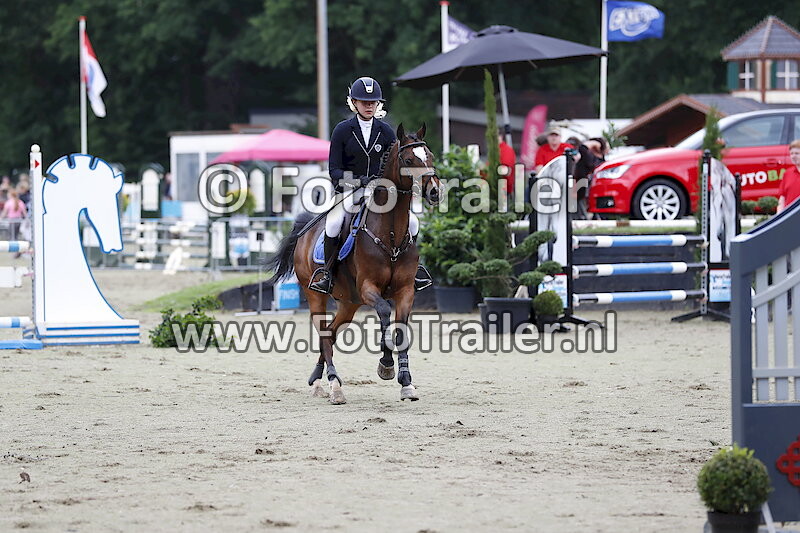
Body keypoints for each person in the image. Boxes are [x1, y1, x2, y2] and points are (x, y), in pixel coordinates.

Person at [308, 76, 432, 294]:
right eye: (364, 102)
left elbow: (395, 164)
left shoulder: (386, 132)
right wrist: (360, 181)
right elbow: (334, 172)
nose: (369, 106)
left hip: (382, 192)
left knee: (412, 222)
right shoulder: (342, 130)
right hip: (350, 191)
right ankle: (326, 273)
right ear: (354, 103)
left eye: (373, 102)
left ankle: (415, 268)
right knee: (334, 223)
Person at [777, 140, 800, 213]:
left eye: (797, 153)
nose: (793, 156)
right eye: (791, 154)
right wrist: (779, 215)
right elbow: (782, 198)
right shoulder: (787, 173)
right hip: (790, 216)